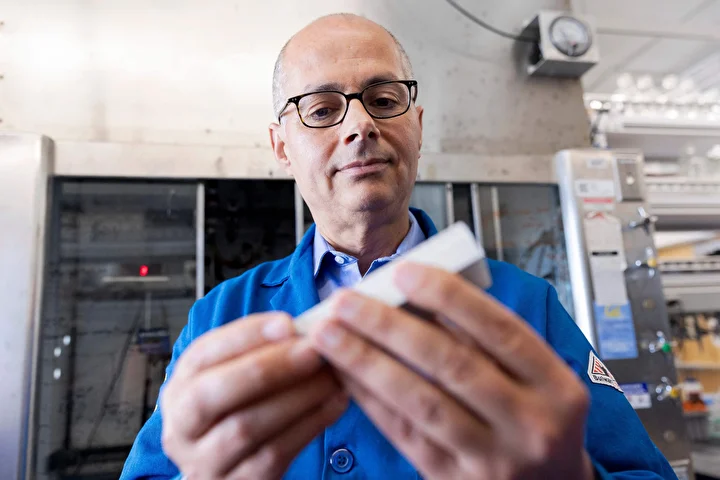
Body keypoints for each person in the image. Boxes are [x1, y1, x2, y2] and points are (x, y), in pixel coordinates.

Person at [121, 13, 676, 480]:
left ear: (417, 125)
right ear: (281, 146)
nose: (360, 125)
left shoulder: (528, 306)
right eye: (321, 110)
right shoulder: (219, 318)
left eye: (384, 99)